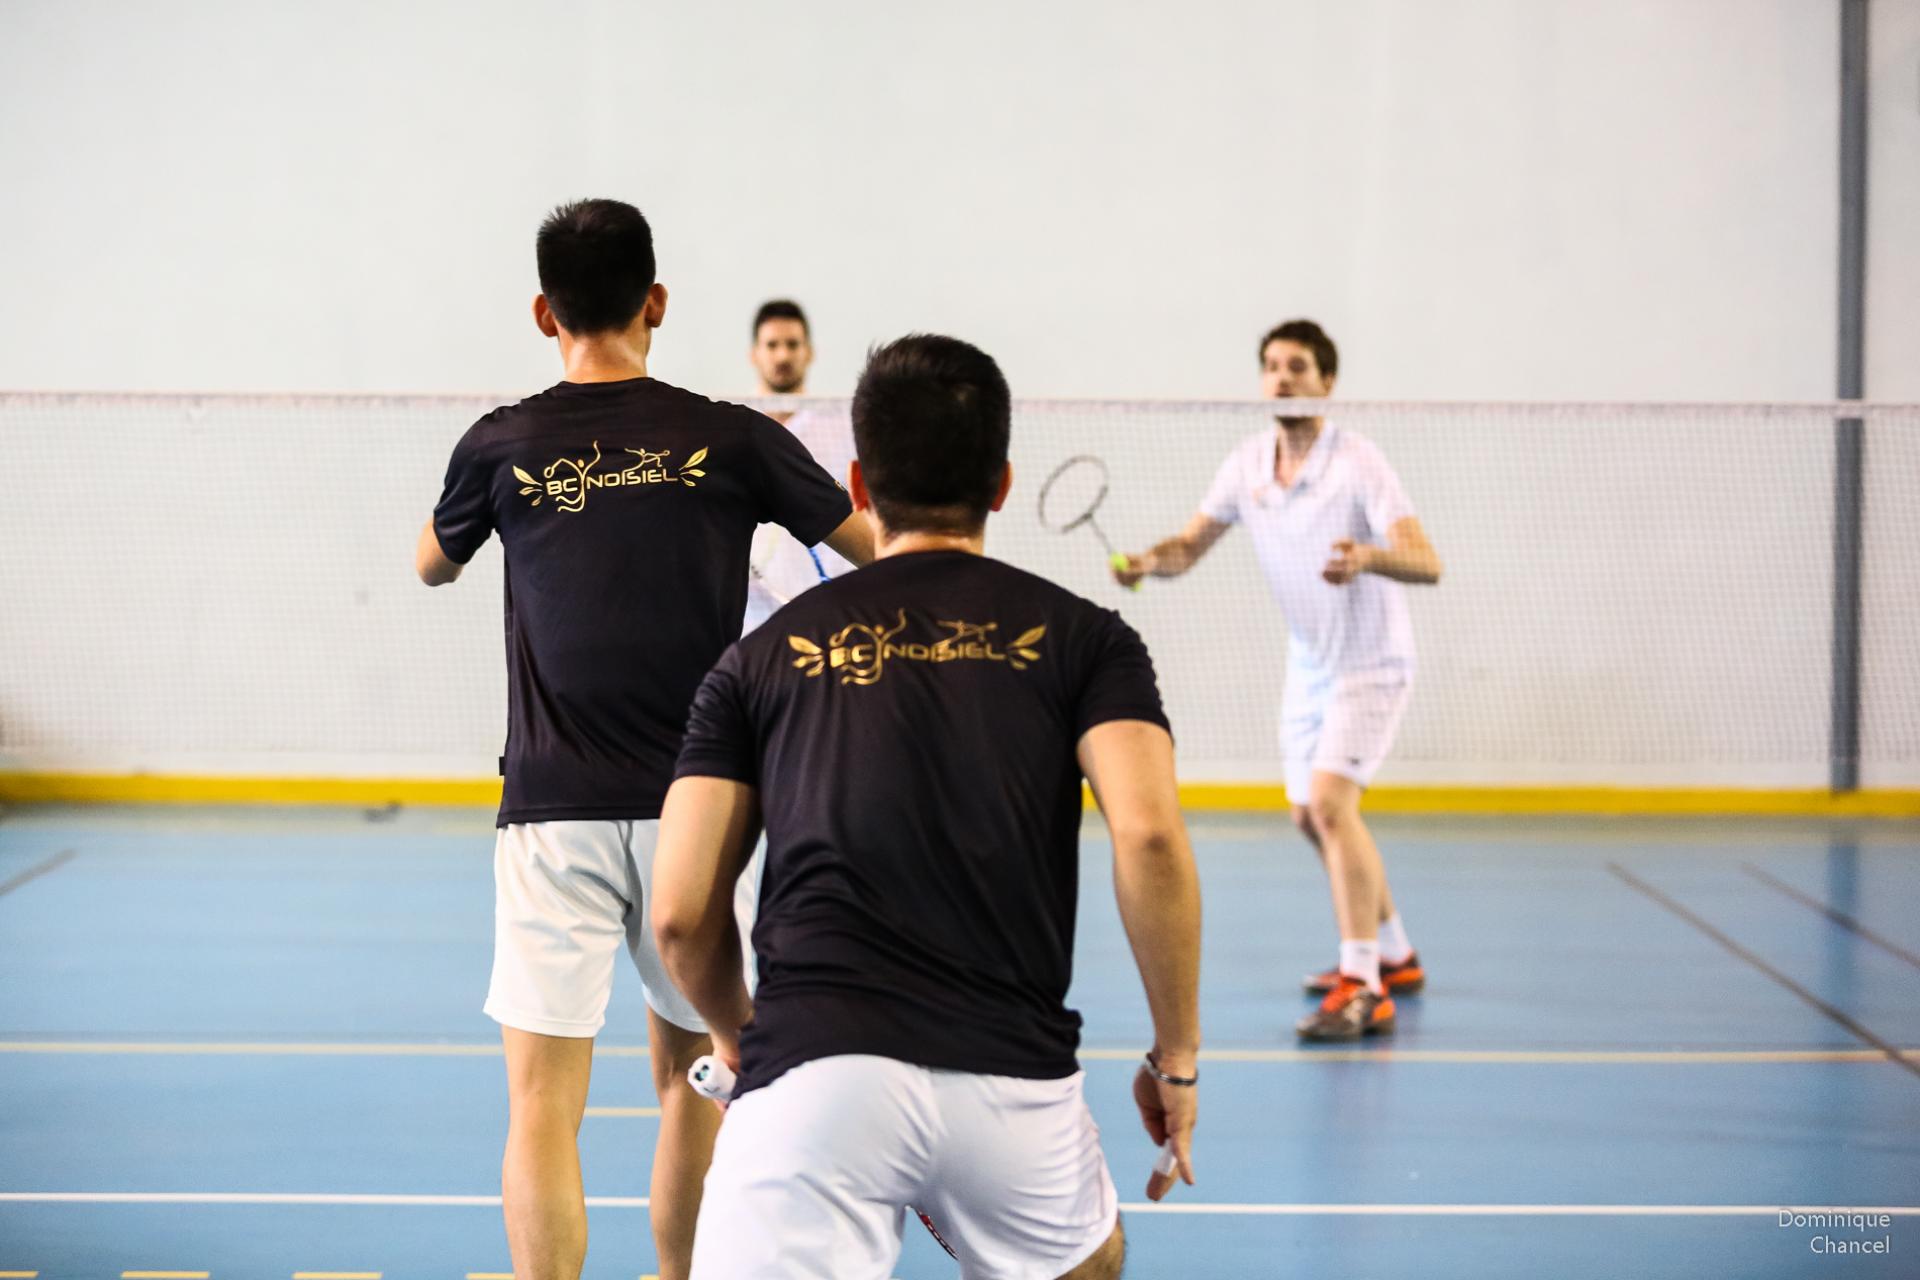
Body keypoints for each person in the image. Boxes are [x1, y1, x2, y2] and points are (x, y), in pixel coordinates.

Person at [652, 334, 1203, 1279]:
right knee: (1091, 1260)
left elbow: (678, 912)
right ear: (1002, 483)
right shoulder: (1090, 640)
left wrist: (743, 1043)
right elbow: (1149, 837)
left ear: (858, 485)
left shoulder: (756, 659)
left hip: (812, 1073)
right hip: (1011, 1077)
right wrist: (1175, 1057)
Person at [413, 198, 873, 1280]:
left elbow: (431, 561)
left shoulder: (501, 443)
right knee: (691, 1084)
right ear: (656, 302)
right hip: (699, 814)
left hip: (550, 813)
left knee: (541, 1105)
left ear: (544, 313)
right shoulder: (734, 438)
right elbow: (874, 544)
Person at [1114, 319, 1442, 1042]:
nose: (1282, 377)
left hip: (1371, 660)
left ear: (1327, 382)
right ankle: (1396, 954)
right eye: (1271, 365)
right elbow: (1189, 546)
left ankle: (1363, 985)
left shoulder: (1358, 462)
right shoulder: (1247, 466)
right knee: (1307, 814)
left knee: (1330, 805)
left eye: (1298, 366)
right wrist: (1148, 562)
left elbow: (1428, 562)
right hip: (1310, 663)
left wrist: (1369, 557)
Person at [742, 299, 859, 631]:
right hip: (752, 618)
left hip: (829, 614)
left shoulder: (844, 428)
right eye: (772, 345)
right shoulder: (736, 427)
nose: (782, 355)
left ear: (809, 352)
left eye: (792, 345)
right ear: (754, 354)